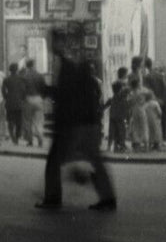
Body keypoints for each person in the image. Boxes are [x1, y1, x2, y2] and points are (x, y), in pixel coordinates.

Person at [37, 30, 117, 211]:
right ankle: (107, 197)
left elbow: (66, 94)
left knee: (55, 160)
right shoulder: (75, 63)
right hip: (89, 120)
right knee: (95, 159)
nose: (51, 46)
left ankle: (53, 198)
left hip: (73, 123)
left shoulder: (65, 64)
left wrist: (46, 90)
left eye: (52, 42)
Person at [21, 59, 46, 147]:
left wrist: (23, 99)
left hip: (28, 99)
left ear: (27, 66)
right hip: (38, 98)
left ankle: (30, 140)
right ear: (34, 65)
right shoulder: (40, 76)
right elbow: (44, 88)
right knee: (39, 121)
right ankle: (40, 138)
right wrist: (42, 97)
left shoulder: (24, 76)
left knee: (27, 121)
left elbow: (23, 90)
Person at [143, 56, 166, 139]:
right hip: (162, 100)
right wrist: (164, 99)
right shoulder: (160, 75)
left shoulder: (147, 77)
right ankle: (163, 138)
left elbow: (148, 90)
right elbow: (165, 87)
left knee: (154, 121)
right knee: (163, 120)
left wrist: (155, 99)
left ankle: (155, 139)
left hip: (153, 101)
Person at [107, 67, 130, 153]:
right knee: (121, 130)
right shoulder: (124, 86)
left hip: (112, 115)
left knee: (113, 131)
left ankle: (113, 146)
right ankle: (122, 145)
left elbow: (107, 104)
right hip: (120, 116)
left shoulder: (113, 96)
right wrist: (127, 116)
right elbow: (126, 104)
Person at [3, 62, 26, 145]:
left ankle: (12, 136)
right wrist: (22, 98)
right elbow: (24, 90)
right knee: (19, 121)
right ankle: (17, 137)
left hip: (9, 103)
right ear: (17, 70)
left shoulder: (6, 79)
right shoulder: (21, 79)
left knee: (10, 121)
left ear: (10, 70)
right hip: (19, 103)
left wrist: (7, 97)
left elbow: (3, 91)